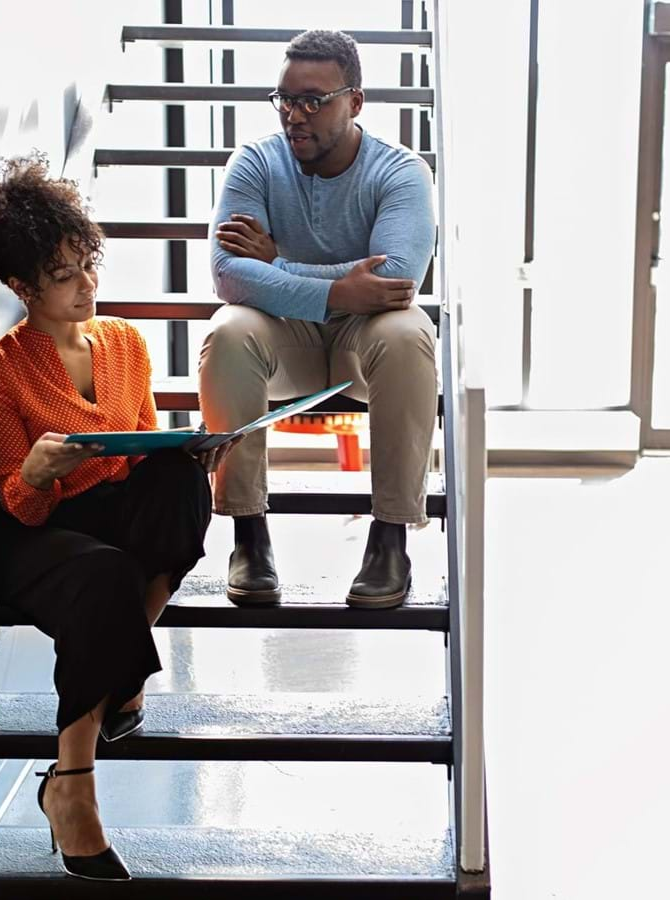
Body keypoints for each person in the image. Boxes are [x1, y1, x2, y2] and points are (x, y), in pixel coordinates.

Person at [0, 154, 234, 882]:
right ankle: (72, 782)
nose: (87, 285)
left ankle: (120, 668)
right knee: (103, 572)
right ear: (22, 288)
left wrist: (190, 456)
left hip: (112, 510)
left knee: (179, 479)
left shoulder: (124, 344)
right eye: (64, 276)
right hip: (37, 532)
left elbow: (140, 452)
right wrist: (38, 474)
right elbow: (16, 500)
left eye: (88, 265)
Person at [201, 29, 438, 611]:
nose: (294, 114)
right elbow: (229, 275)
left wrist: (277, 262)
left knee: (409, 331)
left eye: (313, 100)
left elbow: (395, 280)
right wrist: (338, 289)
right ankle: (248, 537)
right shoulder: (255, 163)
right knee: (228, 328)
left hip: (367, 346)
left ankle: (390, 539)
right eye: (284, 98)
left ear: (354, 102)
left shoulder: (401, 172)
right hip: (288, 341)